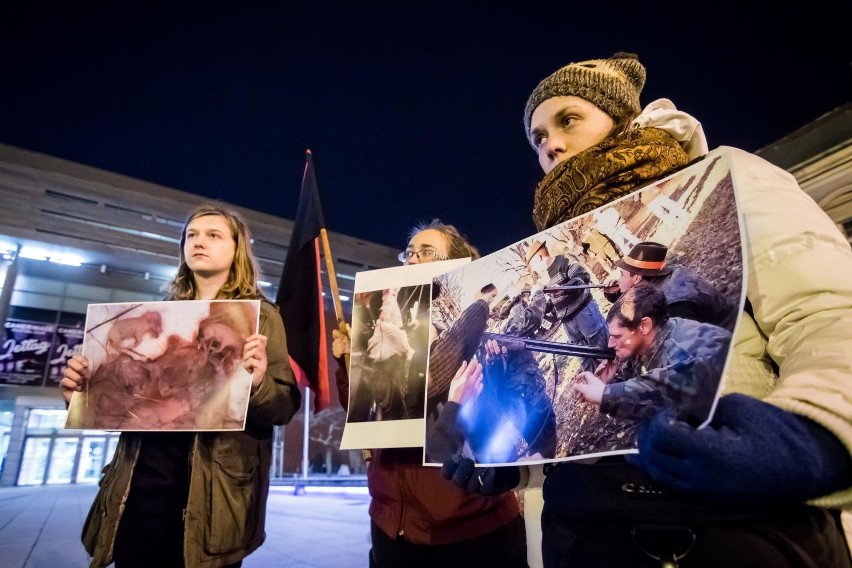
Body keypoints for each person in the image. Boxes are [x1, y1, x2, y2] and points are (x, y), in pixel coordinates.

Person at [449, 51, 852, 566]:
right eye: (537, 137)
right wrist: (503, 458)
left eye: (568, 119)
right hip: (585, 532)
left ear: (620, 116)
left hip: (739, 521)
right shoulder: (559, 240)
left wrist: (812, 434)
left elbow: (827, 311)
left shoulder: (733, 175)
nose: (550, 142)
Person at [60, 203, 302, 568]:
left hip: (211, 502)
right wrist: (82, 396)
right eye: (191, 235)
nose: (198, 242)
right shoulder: (157, 316)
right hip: (137, 495)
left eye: (213, 235)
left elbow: (283, 406)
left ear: (237, 250)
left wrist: (258, 383)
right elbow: (127, 405)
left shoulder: (262, 317)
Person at [334, 218, 528, 568]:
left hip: (468, 530)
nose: (412, 259)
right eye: (408, 253)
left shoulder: (473, 330)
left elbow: (437, 381)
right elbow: (366, 412)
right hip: (392, 525)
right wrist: (349, 363)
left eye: (426, 252)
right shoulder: (390, 322)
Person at [572, 282, 731, 425]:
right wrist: (609, 383)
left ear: (644, 326)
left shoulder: (682, 353)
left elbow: (664, 394)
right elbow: (644, 383)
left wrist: (604, 394)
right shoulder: (649, 342)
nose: (610, 343)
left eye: (617, 336)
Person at [603, 241, 738, 329]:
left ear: (637, 278)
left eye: (621, 274)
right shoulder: (670, 273)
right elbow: (637, 294)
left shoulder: (672, 304)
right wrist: (613, 292)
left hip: (733, 337)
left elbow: (694, 346)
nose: (618, 279)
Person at [525, 238, 609, 373]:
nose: (533, 270)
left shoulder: (564, 260)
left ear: (539, 257)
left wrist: (564, 288)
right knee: (585, 358)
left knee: (604, 348)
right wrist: (538, 302)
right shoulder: (544, 278)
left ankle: (623, 378)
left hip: (584, 314)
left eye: (532, 265)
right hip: (567, 324)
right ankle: (602, 386)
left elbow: (583, 277)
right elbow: (552, 304)